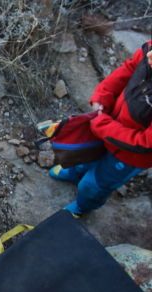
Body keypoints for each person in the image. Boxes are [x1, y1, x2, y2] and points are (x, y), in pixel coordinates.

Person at [49, 40, 152, 215]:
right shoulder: (149, 51)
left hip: (129, 156)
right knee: (86, 155)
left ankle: (83, 207)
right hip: (109, 122)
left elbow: (146, 142)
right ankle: (75, 172)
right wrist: (103, 94)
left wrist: (104, 126)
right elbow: (128, 68)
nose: (149, 56)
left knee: (93, 185)